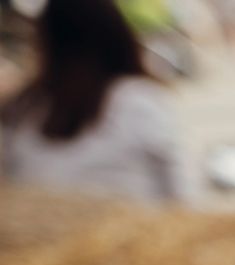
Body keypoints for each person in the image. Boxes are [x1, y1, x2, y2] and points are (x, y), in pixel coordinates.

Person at [1, 0, 186, 203]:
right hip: (135, 230)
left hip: (42, 231)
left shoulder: (23, 109)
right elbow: (180, 192)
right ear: (118, 33)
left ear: (46, 40)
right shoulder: (138, 100)